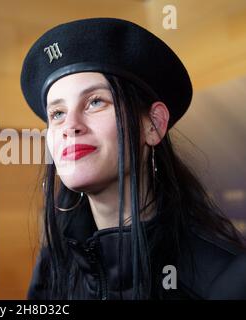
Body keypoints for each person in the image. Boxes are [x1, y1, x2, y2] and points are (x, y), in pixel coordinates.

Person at [20, 17, 246, 300]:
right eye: (57, 114)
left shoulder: (224, 280)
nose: (70, 126)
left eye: (95, 102)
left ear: (154, 124)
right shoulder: (53, 268)